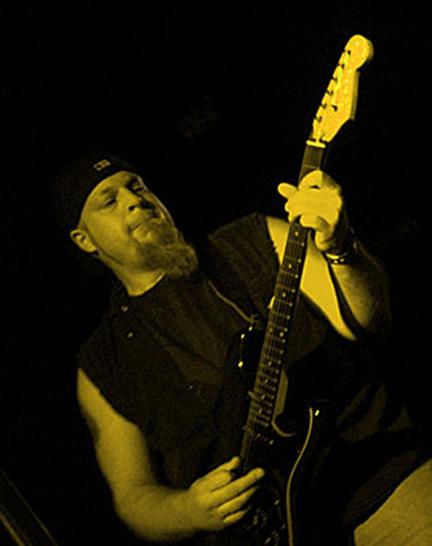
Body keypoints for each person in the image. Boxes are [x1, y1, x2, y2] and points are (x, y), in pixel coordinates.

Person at [52, 150, 431, 545]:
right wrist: (189, 510)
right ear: (84, 240)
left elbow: (367, 320)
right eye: (109, 201)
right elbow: (132, 495)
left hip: (378, 481)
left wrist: (341, 247)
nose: (134, 200)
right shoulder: (103, 363)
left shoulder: (254, 240)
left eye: (137, 186)